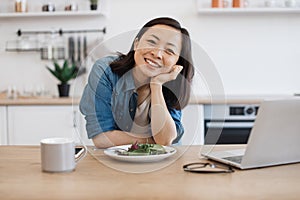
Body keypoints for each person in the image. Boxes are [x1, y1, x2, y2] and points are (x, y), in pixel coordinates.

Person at [80, 17, 194, 148]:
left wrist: (156, 85)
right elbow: (102, 138)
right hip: (116, 160)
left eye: (169, 51)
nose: (157, 54)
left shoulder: (172, 83)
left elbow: (166, 139)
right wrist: (152, 142)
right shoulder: (105, 70)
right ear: (136, 44)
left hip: (163, 161)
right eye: (152, 42)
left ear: (176, 63)